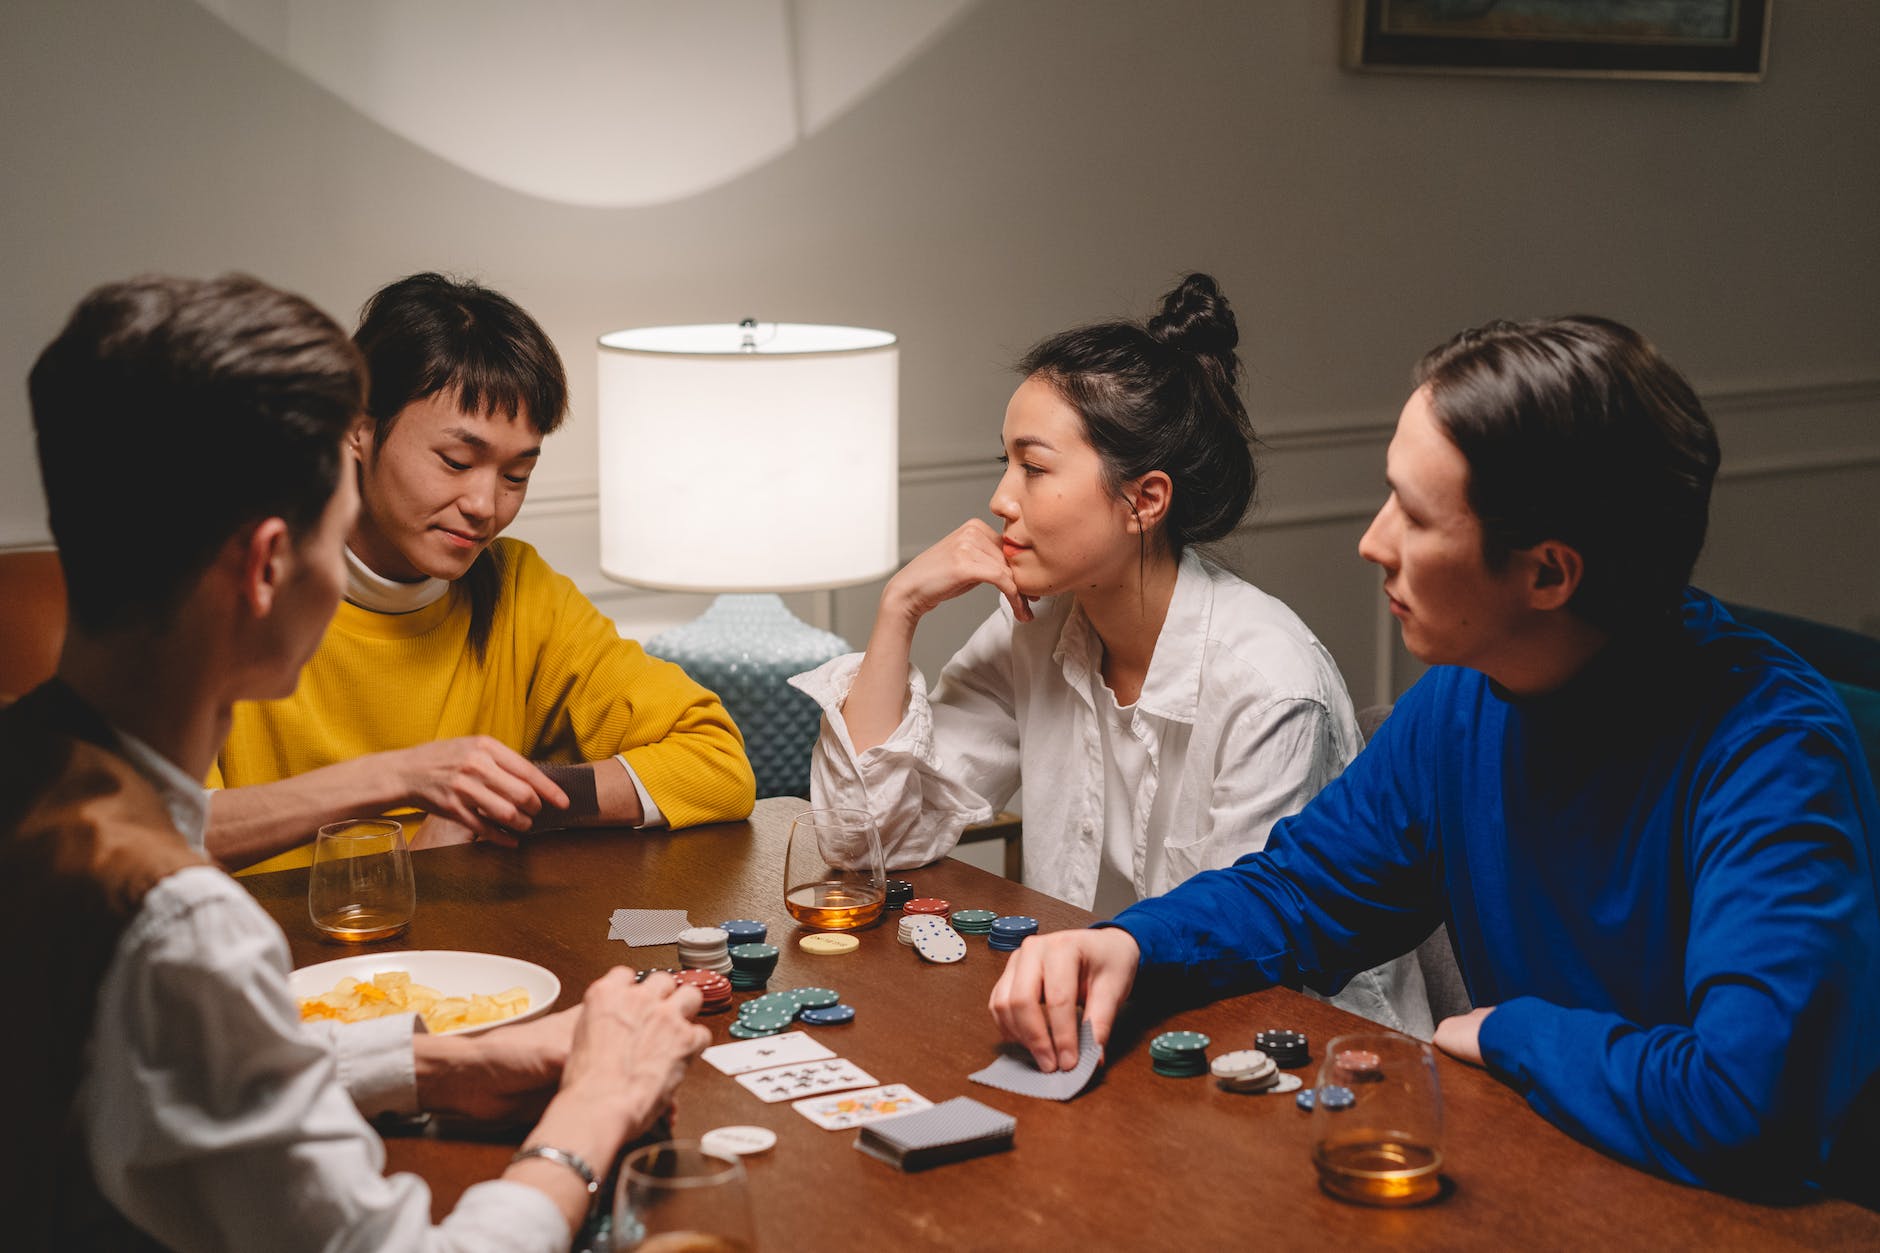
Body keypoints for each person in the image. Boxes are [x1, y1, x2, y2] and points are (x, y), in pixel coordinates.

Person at [988, 315, 1880, 1197]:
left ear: (1547, 575)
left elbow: (1750, 1110)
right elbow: (1300, 893)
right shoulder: (1468, 693)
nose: (1371, 541)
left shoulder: (1774, 754)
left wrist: (1511, 1035)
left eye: (1413, 515)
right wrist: (1129, 945)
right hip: (1551, 1170)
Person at [1, 273, 711, 1249]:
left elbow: (165, 1070)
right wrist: (593, 1110)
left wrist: (438, 1065)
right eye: (336, 535)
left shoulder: (30, 780)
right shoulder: (180, 924)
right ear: (266, 567)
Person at [793, 273, 1430, 1035]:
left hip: (1298, 1054)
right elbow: (866, 841)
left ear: (1146, 500)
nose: (1002, 497)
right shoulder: (1033, 629)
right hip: (1102, 1023)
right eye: (1006, 463)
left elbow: (1245, 955)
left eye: (1033, 466)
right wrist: (900, 609)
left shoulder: (1267, 682)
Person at [205, 273, 756, 873]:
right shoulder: (234, 586)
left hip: (466, 955)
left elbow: (718, 766)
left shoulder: (519, 590)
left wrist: (502, 801)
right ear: (359, 427)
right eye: (456, 461)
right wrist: (405, 780)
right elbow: (157, 829)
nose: (485, 505)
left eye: (516, 475)